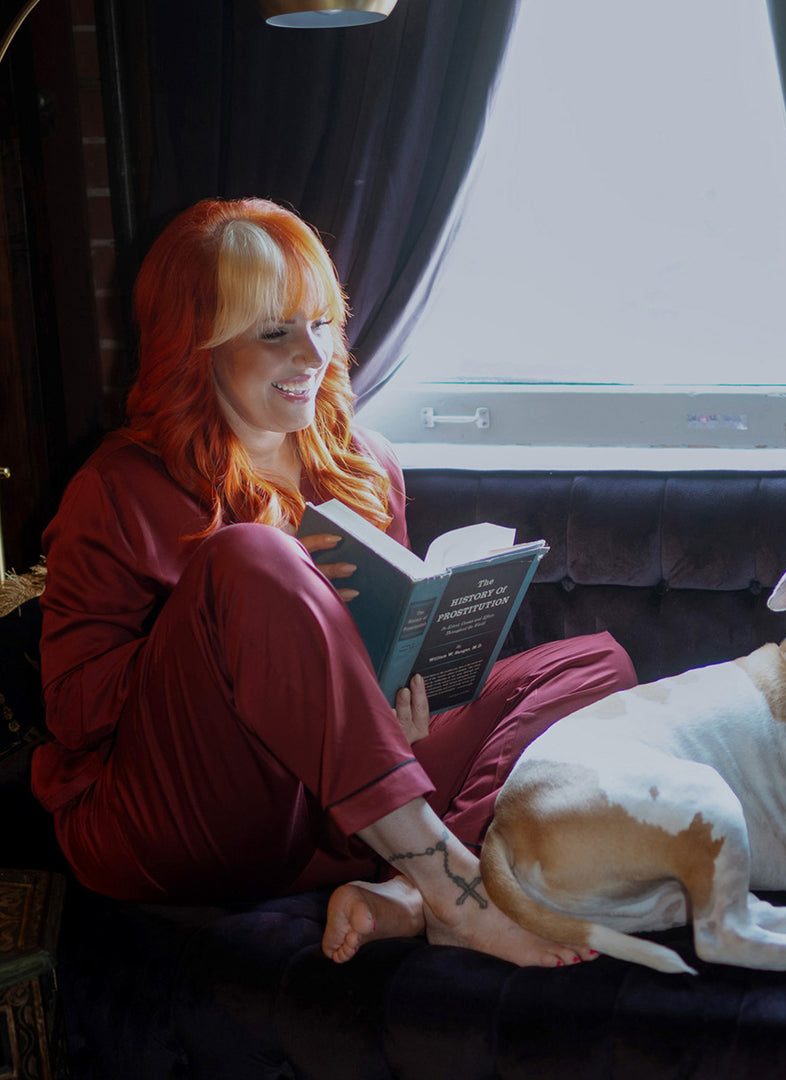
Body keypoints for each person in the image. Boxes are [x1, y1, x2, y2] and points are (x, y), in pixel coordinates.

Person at [32, 197, 636, 968]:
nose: (311, 355)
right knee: (253, 558)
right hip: (174, 820)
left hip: (332, 819)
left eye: (320, 323)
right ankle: (457, 890)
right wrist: (254, 631)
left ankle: (411, 897)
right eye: (274, 332)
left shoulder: (364, 464)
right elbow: (74, 709)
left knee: (597, 668)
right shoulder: (116, 486)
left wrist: (383, 699)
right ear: (196, 346)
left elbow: (389, 656)